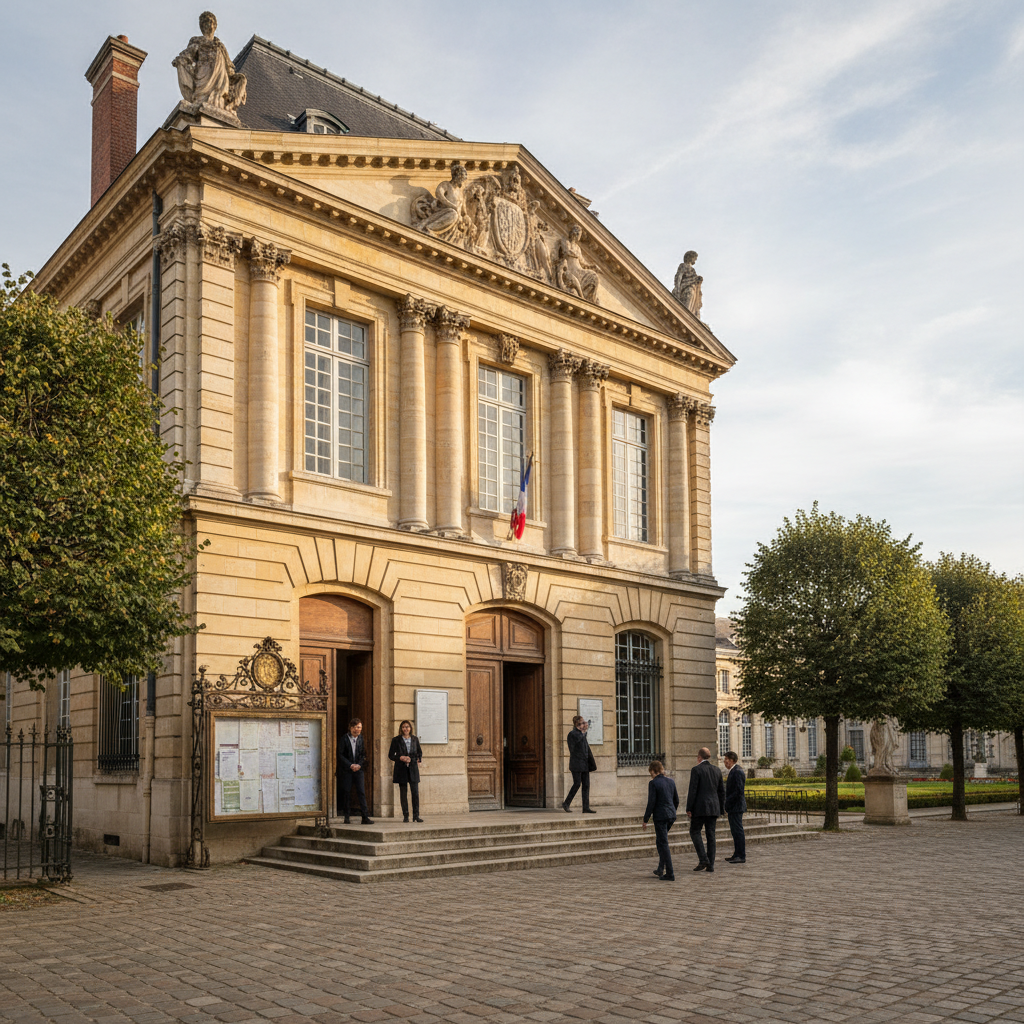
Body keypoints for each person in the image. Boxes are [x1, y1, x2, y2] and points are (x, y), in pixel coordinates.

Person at [686, 746, 725, 872]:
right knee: (711, 835)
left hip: (700, 807)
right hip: (714, 807)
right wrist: (721, 808)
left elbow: (693, 791)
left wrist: (689, 808)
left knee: (694, 831)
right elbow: (721, 792)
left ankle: (703, 859)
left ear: (699, 758)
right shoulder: (717, 770)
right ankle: (711, 865)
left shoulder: (696, 770)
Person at [642, 760, 679, 881]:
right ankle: (660, 868)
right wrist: (672, 811)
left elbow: (651, 802)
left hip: (661, 817)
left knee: (663, 843)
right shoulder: (671, 781)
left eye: (651, 772)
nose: (651, 775)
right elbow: (676, 800)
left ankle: (670, 872)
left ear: (653, 771)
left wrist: (645, 819)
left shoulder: (653, 783)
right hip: (671, 815)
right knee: (660, 841)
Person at [338, 718, 374, 825]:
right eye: (356, 727)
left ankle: (365, 817)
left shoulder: (361, 739)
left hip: (358, 770)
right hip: (347, 770)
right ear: (351, 728)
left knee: (361, 792)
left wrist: (359, 764)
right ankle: (347, 817)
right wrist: (350, 765)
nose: (358, 730)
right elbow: (340, 755)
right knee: (347, 792)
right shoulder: (344, 739)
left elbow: (363, 754)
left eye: (360, 728)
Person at [388, 720, 424, 823]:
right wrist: (401, 757)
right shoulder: (396, 740)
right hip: (401, 769)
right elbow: (391, 755)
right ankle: (406, 815)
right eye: (403, 727)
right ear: (401, 729)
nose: (406, 729)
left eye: (407, 727)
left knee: (415, 793)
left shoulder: (415, 739)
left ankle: (416, 815)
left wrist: (419, 759)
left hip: (413, 768)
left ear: (410, 728)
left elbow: (419, 752)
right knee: (403, 793)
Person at [562, 715, 597, 813]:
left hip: (584, 763)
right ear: (577, 724)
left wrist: (591, 762)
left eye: (584, 722)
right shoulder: (573, 734)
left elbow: (586, 748)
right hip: (576, 764)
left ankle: (586, 807)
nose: (584, 724)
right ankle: (566, 803)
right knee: (577, 783)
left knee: (586, 785)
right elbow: (577, 741)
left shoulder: (582, 734)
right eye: (582, 723)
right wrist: (583, 732)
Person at [723, 751, 746, 864]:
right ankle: (737, 854)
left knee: (738, 831)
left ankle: (741, 855)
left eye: (726, 759)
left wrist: (727, 801)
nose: (724, 762)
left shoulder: (737, 771)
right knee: (735, 831)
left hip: (736, 807)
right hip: (734, 807)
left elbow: (738, 791)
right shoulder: (734, 771)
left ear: (732, 760)